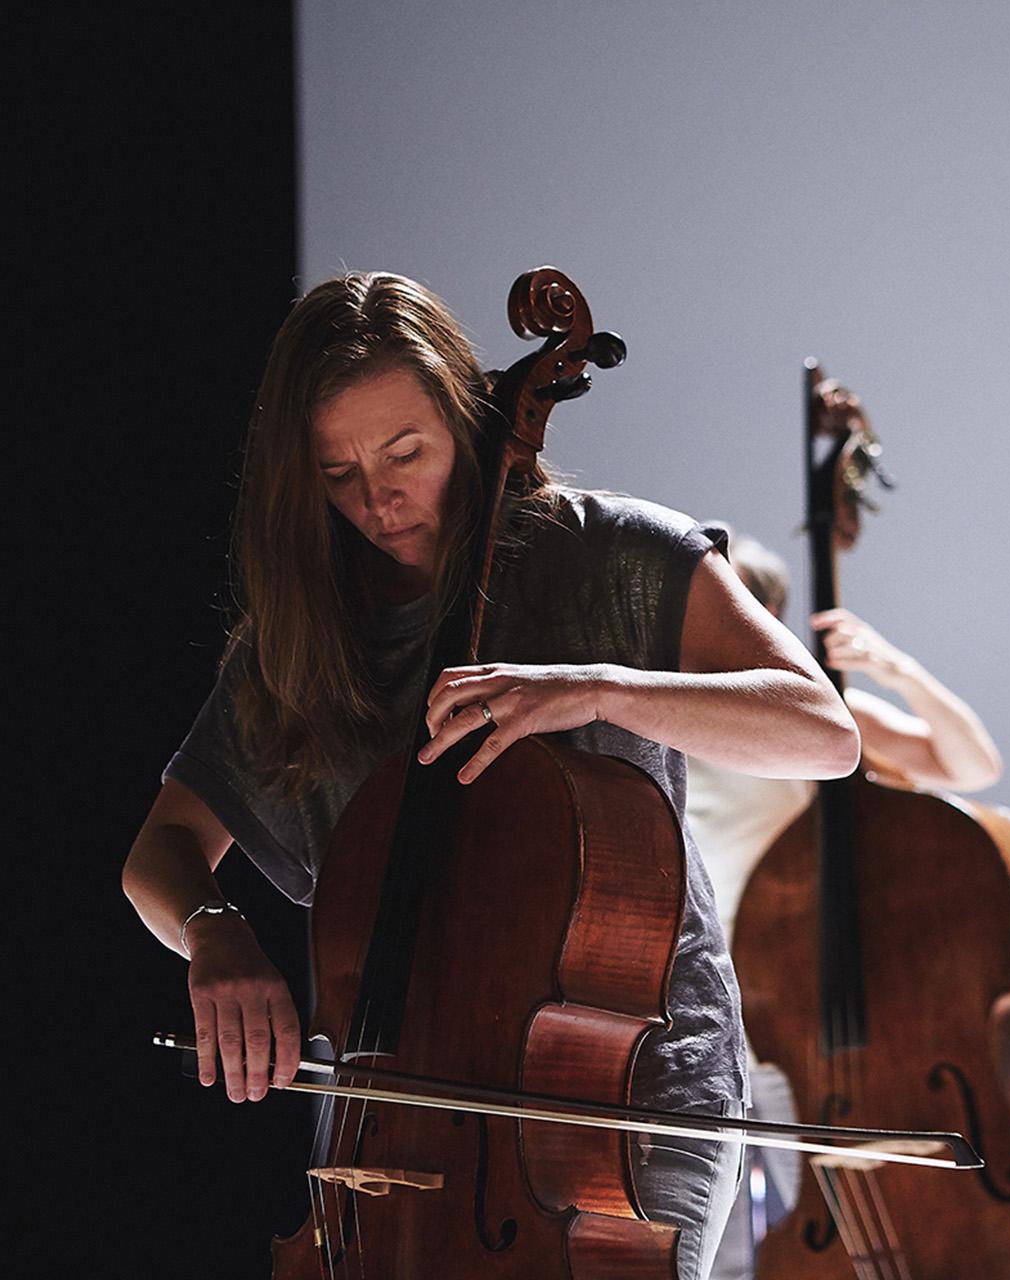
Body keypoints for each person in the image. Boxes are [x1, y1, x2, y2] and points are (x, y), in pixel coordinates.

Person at [120, 271, 860, 1280]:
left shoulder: (616, 554)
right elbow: (159, 853)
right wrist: (214, 929)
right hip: (397, 1103)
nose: (377, 500)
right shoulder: (302, 641)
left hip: (627, 1093)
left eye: (404, 452)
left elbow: (824, 732)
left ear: (466, 416)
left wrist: (600, 687)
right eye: (336, 471)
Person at [687, 531, 1002, 1280]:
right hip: (700, 996)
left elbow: (971, 765)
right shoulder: (655, 704)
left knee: (832, 1226)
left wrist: (895, 670)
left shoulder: (806, 710)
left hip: (803, 1006)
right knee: (704, 1238)